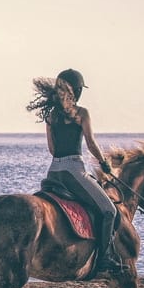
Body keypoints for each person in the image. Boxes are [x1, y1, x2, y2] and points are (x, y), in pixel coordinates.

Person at [30, 68, 121, 275]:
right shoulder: (82, 113)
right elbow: (90, 143)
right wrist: (104, 163)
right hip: (73, 172)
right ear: (78, 91)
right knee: (109, 211)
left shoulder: (51, 115)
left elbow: (52, 149)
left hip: (53, 172)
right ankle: (105, 257)